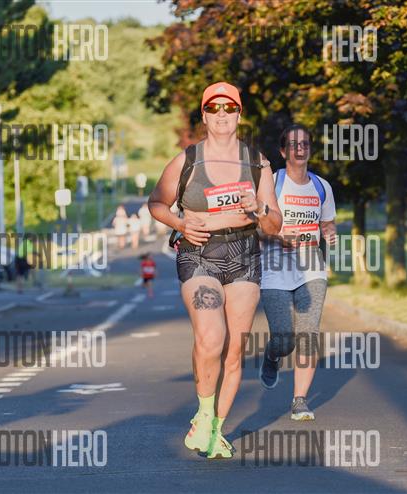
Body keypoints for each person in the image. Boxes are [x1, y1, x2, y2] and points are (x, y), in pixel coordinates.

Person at [148, 81, 281, 459]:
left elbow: (274, 225)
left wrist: (259, 207)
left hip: (244, 256)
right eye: (214, 108)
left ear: (239, 114)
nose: (222, 114)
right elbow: (156, 203)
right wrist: (180, 223)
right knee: (211, 337)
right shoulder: (187, 161)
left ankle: (215, 430)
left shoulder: (257, 163)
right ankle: (204, 413)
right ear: (204, 116)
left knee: (235, 351)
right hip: (199, 254)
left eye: (229, 108)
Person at [258, 124, 337, 421]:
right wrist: (279, 238)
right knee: (284, 338)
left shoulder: (321, 186)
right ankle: (273, 354)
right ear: (283, 151)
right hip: (275, 270)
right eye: (293, 144)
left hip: (311, 269)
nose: (300, 149)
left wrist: (330, 233)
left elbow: (327, 222)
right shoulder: (272, 183)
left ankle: (300, 399)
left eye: (305, 144)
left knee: (308, 333)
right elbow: (256, 229)